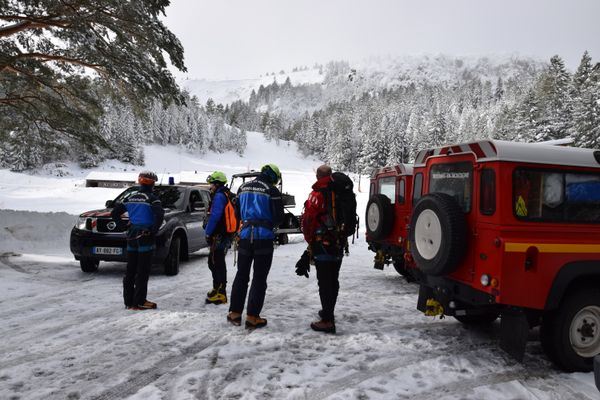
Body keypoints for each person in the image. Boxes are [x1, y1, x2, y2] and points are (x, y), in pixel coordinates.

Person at [227, 164, 284, 329]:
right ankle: (252, 317)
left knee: (241, 275)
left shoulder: (242, 187)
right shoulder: (271, 190)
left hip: (245, 236)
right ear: (273, 176)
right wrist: (268, 224)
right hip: (263, 238)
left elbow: (237, 213)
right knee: (259, 278)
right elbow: (279, 217)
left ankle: (235, 313)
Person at [111, 171, 164, 310]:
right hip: (145, 236)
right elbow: (159, 216)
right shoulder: (152, 198)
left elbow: (114, 213)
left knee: (130, 270)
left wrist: (123, 226)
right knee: (143, 270)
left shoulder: (130, 197)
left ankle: (128, 301)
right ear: (152, 183)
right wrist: (153, 230)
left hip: (132, 235)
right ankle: (139, 302)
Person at [301, 164, 344, 333]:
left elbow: (308, 220)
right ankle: (328, 311)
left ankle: (327, 320)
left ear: (318, 176)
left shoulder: (317, 194)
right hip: (339, 243)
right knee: (333, 280)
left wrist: (309, 240)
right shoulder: (341, 193)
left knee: (325, 282)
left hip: (322, 243)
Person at [204, 171, 234, 305]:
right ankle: (217, 288)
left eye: (211, 184)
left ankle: (221, 292)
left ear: (217, 184)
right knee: (215, 261)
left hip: (219, 235)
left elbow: (215, 216)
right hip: (224, 234)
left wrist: (208, 232)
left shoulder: (219, 196)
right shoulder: (226, 194)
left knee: (216, 262)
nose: (210, 186)